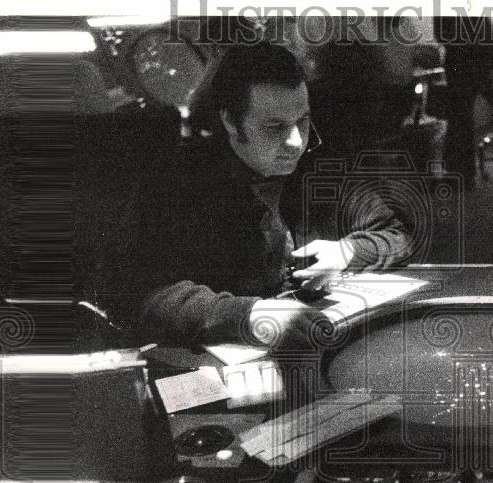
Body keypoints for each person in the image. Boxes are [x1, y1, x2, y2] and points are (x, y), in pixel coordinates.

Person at [128, 43, 412, 347]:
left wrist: (347, 253)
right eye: (275, 127)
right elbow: (147, 296)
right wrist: (251, 315)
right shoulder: (180, 181)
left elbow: (396, 236)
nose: (296, 142)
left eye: (302, 121)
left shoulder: (321, 162)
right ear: (231, 122)